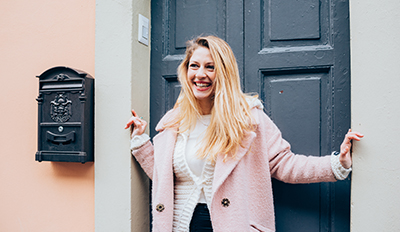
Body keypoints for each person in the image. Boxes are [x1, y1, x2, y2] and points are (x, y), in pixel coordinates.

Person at [125, 36, 363, 232]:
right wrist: (140, 142)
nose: (200, 74)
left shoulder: (248, 119)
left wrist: (336, 164)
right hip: (177, 226)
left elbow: (284, 164)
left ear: (224, 73)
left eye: (210, 67)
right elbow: (163, 176)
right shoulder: (174, 122)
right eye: (194, 66)